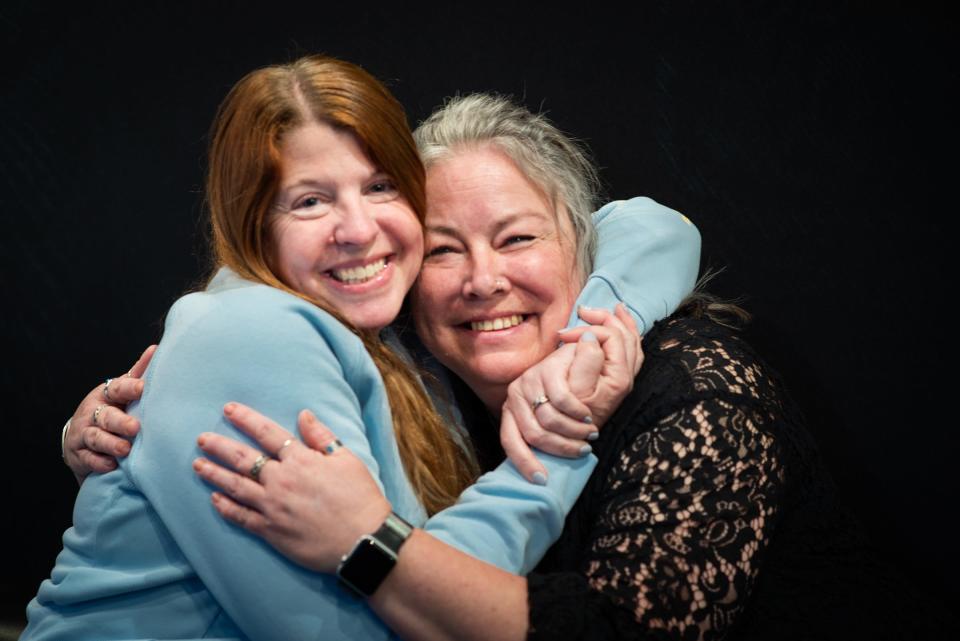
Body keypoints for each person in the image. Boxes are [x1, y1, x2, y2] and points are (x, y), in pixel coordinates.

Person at [185, 94, 935, 641]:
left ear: (585, 247)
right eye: (444, 249)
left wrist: (368, 541)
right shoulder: (416, 379)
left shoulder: (700, 396)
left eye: (516, 240)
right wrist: (121, 415)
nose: (483, 281)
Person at [28, 57, 699, 640]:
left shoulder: (391, 322)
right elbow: (389, 625)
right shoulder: (253, 334)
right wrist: (558, 435)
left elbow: (653, 228)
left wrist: (578, 345)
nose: (359, 229)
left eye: (380, 186)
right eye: (312, 201)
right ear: (253, 224)